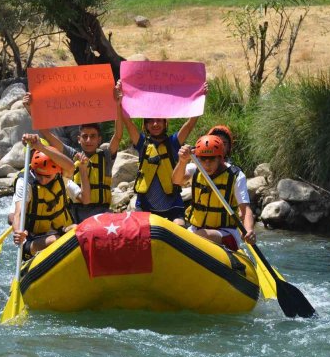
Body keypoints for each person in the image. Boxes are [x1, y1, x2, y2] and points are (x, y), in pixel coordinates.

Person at [22, 88, 124, 223]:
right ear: (78, 139)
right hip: (75, 213)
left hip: (102, 211)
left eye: (93, 136)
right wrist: (31, 110)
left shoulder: (106, 156)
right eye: (85, 136)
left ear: (99, 139)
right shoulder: (72, 155)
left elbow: (118, 135)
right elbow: (48, 135)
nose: (88, 140)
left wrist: (118, 104)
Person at [121, 81, 206, 226]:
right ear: (146, 125)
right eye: (151, 121)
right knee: (140, 231)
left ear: (165, 123)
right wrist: (120, 99)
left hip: (172, 203)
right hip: (145, 204)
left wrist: (201, 97)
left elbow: (190, 124)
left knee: (179, 225)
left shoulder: (173, 142)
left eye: (159, 120)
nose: (155, 124)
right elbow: (128, 123)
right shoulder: (142, 144)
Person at [12, 134, 90, 258]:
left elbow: (70, 167)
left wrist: (40, 146)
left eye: (47, 176)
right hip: (34, 238)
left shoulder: (61, 178)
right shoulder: (25, 182)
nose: (43, 180)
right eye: (39, 175)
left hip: (59, 230)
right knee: (54, 240)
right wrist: (17, 231)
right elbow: (18, 214)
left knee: (78, 229)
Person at [172, 134, 256, 251]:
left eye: (212, 159)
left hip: (226, 232)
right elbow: (176, 180)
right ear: (197, 157)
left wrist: (249, 229)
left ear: (220, 158)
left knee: (202, 235)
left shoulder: (235, 176)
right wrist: (182, 161)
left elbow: (245, 209)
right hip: (196, 229)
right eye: (202, 159)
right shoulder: (195, 169)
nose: (207, 164)